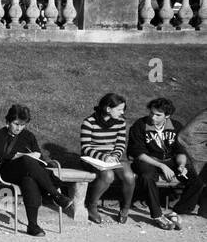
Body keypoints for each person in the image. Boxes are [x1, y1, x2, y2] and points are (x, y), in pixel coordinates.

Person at [0, 104, 72, 237]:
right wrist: (21, 156)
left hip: (27, 172)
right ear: (8, 121)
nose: (19, 128)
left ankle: (33, 225)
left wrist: (35, 155)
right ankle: (56, 195)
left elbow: (39, 154)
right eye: (16, 124)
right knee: (26, 160)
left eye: (22, 125)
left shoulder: (29, 136)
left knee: (29, 180)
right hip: (6, 171)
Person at [128, 97, 195, 230]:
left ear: (167, 116)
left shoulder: (175, 126)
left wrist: (181, 165)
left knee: (195, 180)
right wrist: (161, 166)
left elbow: (180, 150)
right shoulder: (140, 125)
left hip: (169, 160)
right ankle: (157, 215)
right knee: (147, 177)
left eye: (158, 115)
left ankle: (176, 212)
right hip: (146, 160)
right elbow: (138, 153)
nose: (153, 117)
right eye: (151, 113)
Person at [79, 93, 136, 223]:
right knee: (108, 175)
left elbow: (121, 143)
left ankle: (125, 208)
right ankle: (92, 205)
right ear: (108, 109)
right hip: (92, 158)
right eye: (119, 109)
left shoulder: (121, 122)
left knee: (129, 176)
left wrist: (114, 156)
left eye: (123, 109)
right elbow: (86, 147)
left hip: (113, 157)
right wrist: (104, 157)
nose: (122, 112)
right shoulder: (89, 122)